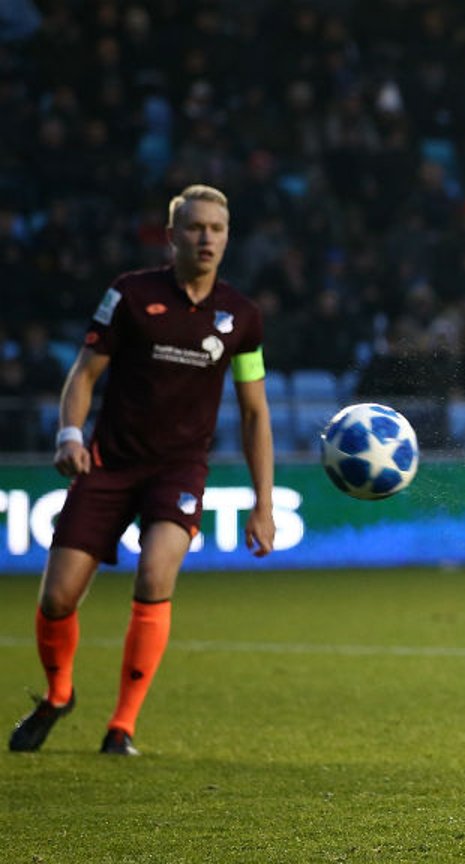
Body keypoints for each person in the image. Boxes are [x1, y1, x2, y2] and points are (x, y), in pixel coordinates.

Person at [9, 185, 276, 757]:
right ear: (172, 234)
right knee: (58, 598)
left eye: (217, 229)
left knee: (155, 578)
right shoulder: (129, 295)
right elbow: (83, 373)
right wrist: (70, 435)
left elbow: (255, 413)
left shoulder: (242, 318)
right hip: (108, 464)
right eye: (196, 228)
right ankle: (58, 696)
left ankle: (121, 727)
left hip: (178, 470)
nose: (207, 238)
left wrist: (264, 503)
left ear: (227, 238)